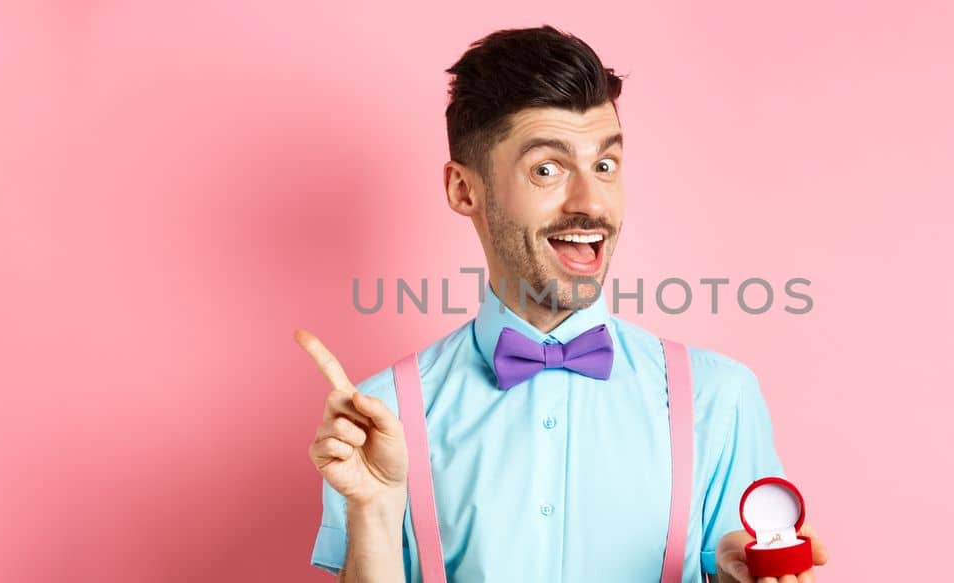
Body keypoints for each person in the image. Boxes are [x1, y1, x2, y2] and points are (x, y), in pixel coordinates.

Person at [296, 25, 828, 583]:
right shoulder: (382, 418)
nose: (591, 202)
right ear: (463, 190)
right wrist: (374, 512)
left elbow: (742, 563)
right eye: (546, 170)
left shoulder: (720, 399)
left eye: (605, 166)